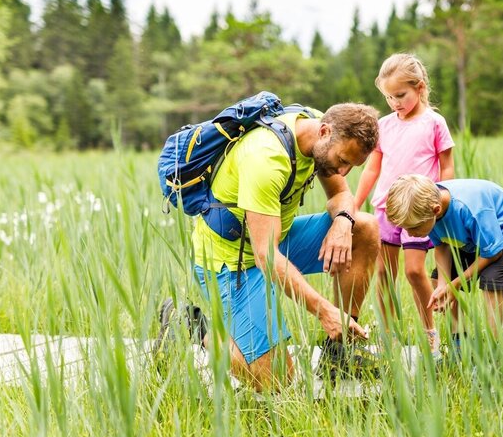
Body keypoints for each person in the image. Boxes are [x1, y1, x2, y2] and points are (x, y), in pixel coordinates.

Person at [162, 102, 383, 391]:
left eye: (353, 165)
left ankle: (337, 353)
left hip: (275, 239)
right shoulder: (266, 159)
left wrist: (343, 220)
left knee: (363, 228)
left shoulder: (319, 131)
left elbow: (341, 193)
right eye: (342, 160)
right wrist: (324, 310)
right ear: (325, 131)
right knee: (276, 380)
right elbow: (266, 257)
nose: (343, 170)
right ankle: (190, 326)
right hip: (232, 260)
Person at [354, 53, 455, 359]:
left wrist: (442, 197)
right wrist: (354, 206)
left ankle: (430, 333)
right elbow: (372, 168)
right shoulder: (383, 125)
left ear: (420, 87)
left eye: (401, 95)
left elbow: (447, 167)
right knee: (384, 274)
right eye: (388, 97)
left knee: (414, 271)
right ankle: (388, 338)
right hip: (386, 208)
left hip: (420, 210)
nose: (395, 102)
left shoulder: (434, 123)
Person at [385, 175, 503, 352]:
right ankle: (460, 344)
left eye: (414, 228)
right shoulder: (428, 210)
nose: (409, 233)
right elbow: (442, 246)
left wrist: (454, 285)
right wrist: (443, 286)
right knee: (439, 283)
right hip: (474, 235)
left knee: (492, 282)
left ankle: (495, 352)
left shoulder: (469, 209)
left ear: (436, 210)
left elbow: (493, 253)